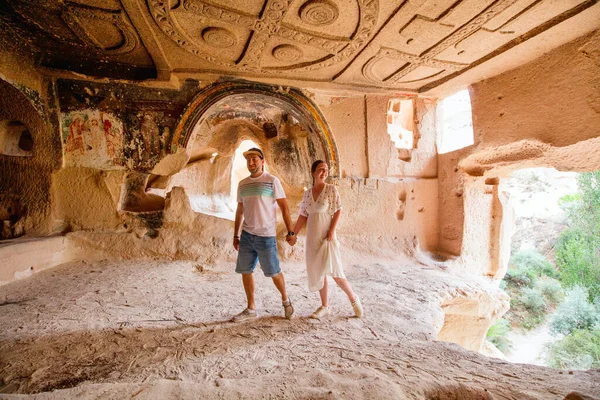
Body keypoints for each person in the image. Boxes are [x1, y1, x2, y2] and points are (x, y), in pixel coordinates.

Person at [289, 160, 363, 319]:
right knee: (319, 272)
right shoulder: (307, 193)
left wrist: (331, 231)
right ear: (313, 172)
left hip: (327, 237)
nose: (324, 172)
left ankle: (354, 299)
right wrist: (293, 233)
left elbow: (338, 211)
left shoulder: (331, 189)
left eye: (326, 170)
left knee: (336, 272)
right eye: (321, 169)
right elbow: (303, 215)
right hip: (312, 239)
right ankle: (324, 306)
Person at [232, 147, 295, 322]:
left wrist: (291, 231)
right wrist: (236, 235)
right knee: (246, 271)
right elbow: (239, 211)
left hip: (266, 236)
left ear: (262, 161)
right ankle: (251, 308)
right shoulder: (243, 184)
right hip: (246, 235)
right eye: (248, 159)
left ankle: (285, 300)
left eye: (254, 159)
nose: (251, 162)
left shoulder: (272, 181)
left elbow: (284, 207)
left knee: (273, 272)